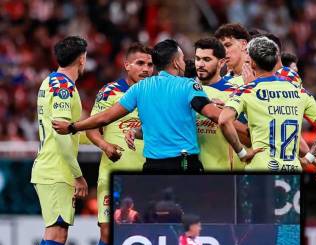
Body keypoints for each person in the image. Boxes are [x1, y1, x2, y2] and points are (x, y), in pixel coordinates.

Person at [52, 39, 251, 171]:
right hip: (184, 164)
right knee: (188, 224)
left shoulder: (140, 89)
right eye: (182, 58)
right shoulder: (189, 86)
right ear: (176, 62)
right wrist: (248, 138)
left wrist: (72, 127)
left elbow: (105, 117)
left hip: (152, 167)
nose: (185, 62)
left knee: (155, 227)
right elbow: (216, 116)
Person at [219, 36, 316, 171]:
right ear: (276, 60)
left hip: (260, 169)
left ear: (252, 63)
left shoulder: (247, 90)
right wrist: (309, 158)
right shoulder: (298, 90)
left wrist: (242, 153)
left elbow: (223, 120)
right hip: (290, 172)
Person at [86, 43, 154, 245]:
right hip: (113, 176)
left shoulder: (156, 94)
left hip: (147, 176)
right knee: (108, 233)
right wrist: (105, 145)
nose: (146, 69)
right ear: (127, 65)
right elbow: (91, 128)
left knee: (144, 235)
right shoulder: (109, 92)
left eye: (150, 64)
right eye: (140, 63)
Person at [31, 36, 89, 245]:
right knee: (56, 233)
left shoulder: (50, 81)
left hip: (49, 167)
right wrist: (78, 175)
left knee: (55, 232)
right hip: (56, 170)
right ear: (82, 59)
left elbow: (68, 131)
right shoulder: (64, 88)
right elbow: (60, 133)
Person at [194, 37, 247, 170]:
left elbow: (250, 138)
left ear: (221, 62)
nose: (200, 64)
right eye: (197, 59)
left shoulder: (235, 93)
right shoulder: (186, 90)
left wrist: (225, 115)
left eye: (207, 60)